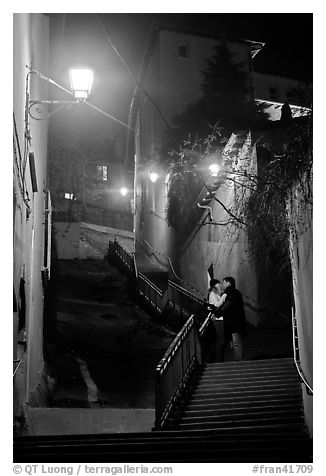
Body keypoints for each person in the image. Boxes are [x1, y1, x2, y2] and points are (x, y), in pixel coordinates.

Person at [214, 276, 247, 361]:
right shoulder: (236, 292)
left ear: (229, 283)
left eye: (224, 282)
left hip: (233, 322)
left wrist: (217, 313)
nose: (223, 284)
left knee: (236, 342)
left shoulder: (230, 292)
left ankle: (238, 360)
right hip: (236, 321)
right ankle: (238, 359)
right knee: (235, 341)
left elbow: (227, 304)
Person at [207, 279, 226, 362]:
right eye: (218, 284)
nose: (220, 285)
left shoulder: (216, 294)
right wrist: (223, 297)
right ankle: (219, 360)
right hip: (217, 320)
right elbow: (216, 305)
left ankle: (220, 359)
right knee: (220, 340)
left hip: (220, 319)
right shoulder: (212, 294)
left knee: (221, 340)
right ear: (215, 285)